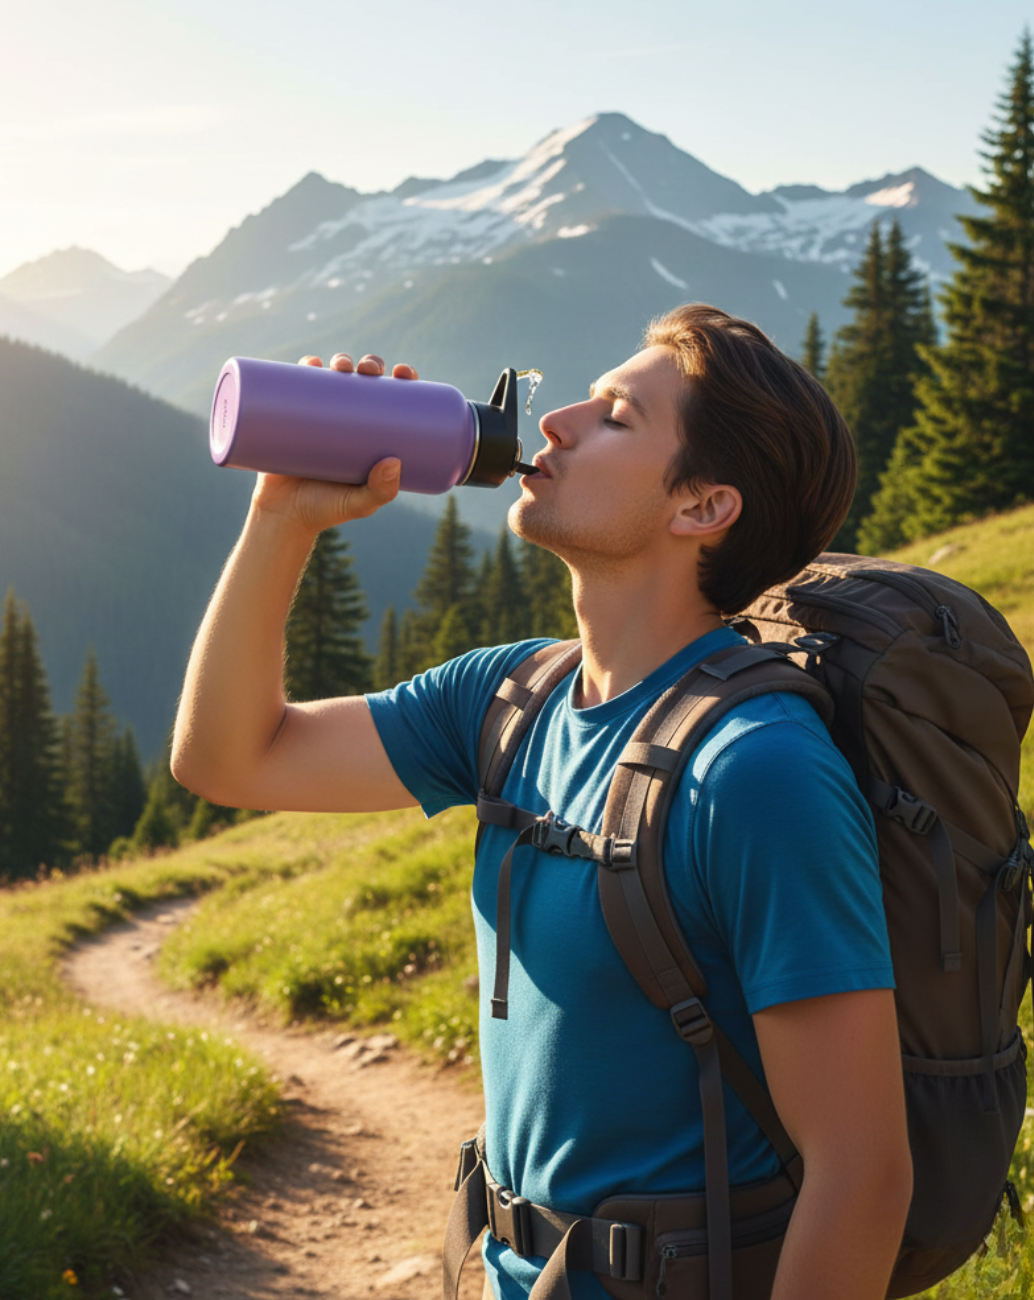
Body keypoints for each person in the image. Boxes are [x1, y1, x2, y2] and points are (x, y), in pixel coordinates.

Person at [171, 304, 913, 1300]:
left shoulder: (757, 772)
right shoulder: (507, 698)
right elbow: (229, 759)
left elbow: (862, 1173)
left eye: (615, 416)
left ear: (703, 507)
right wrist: (283, 516)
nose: (556, 421)